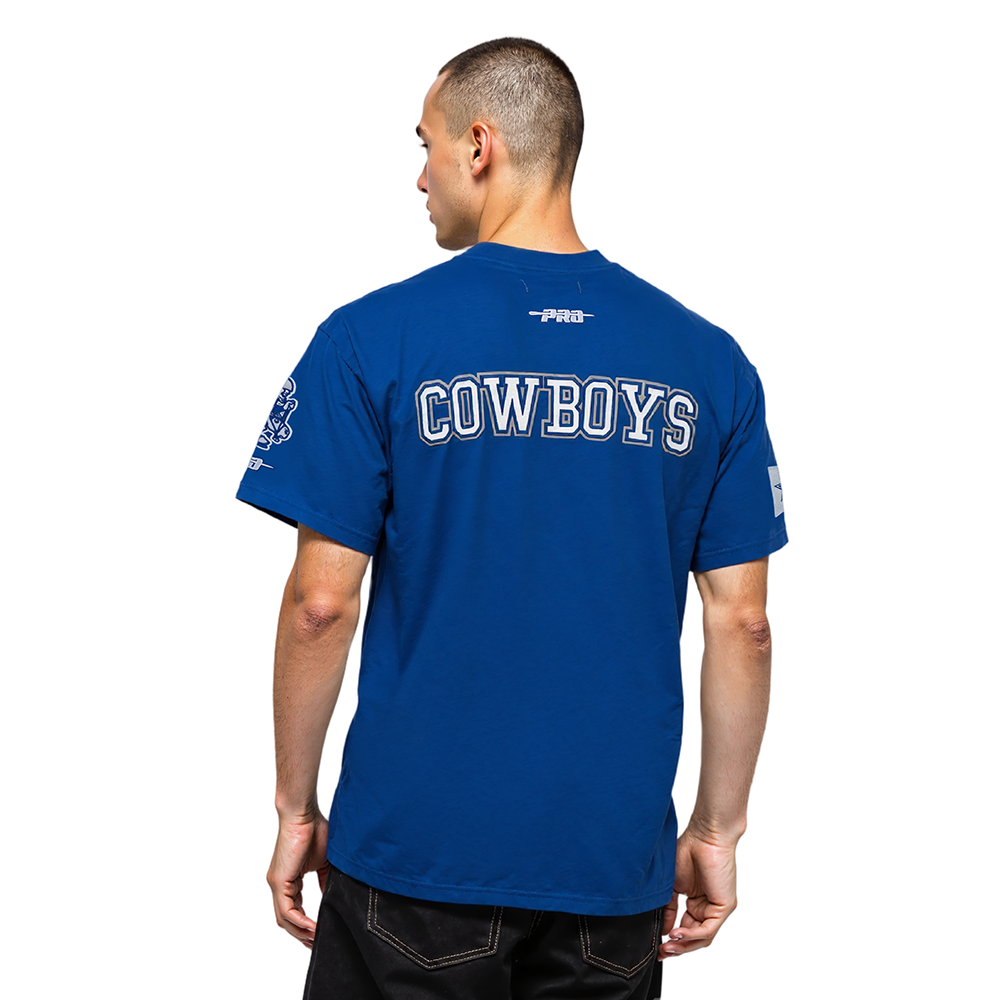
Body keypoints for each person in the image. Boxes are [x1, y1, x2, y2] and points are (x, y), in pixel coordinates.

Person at [235, 36, 788, 1000]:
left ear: (479, 146)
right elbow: (743, 623)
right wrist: (716, 830)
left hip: (413, 856)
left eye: (426, 146)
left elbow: (321, 605)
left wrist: (294, 806)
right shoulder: (710, 361)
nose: (421, 177)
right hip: (610, 872)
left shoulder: (370, 338)